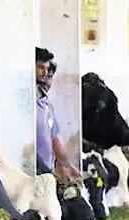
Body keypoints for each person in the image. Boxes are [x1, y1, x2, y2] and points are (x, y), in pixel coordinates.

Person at [35, 47, 80, 181]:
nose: (44, 73)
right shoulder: (25, 103)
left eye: (47, 70)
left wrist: (68, 165)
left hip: (46, 172)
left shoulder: (46, 104)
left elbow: (54, 140)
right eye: (41, 67)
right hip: (30, 171)